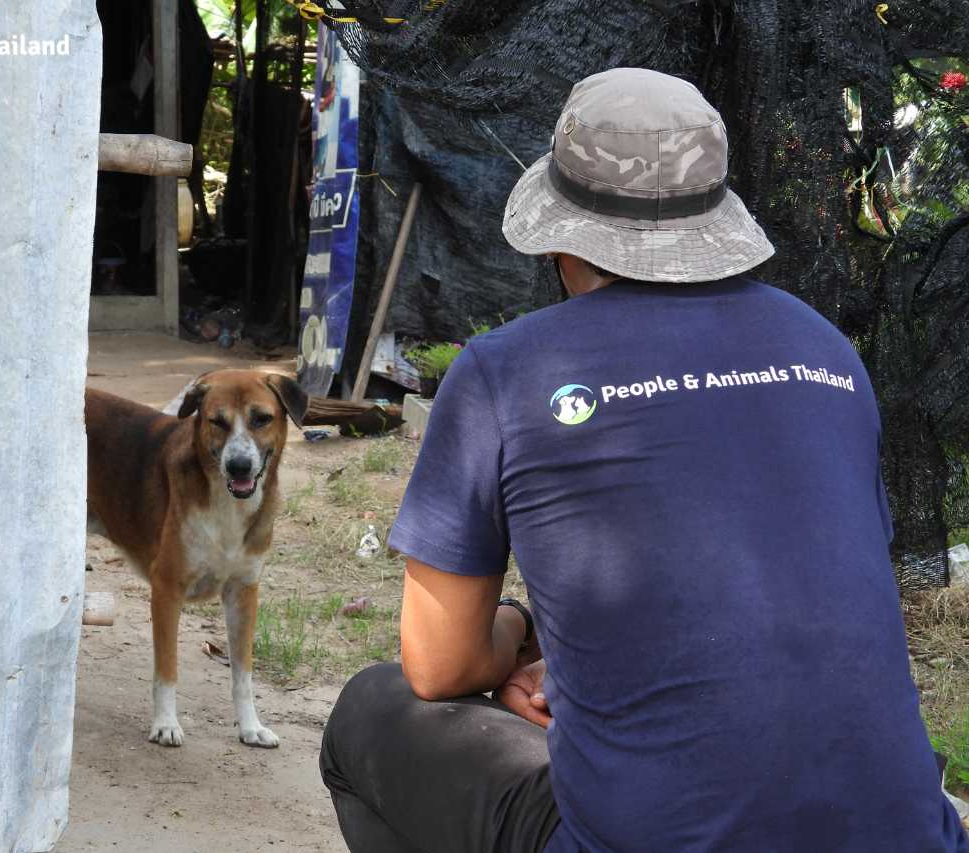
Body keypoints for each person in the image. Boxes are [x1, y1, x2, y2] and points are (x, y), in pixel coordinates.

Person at [319, 67, 968, 852]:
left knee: (368, 710)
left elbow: (438, 663)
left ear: (561, 240)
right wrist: (588, 662)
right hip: (907, 836)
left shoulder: (504, 372)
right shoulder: (825, 351)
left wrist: (526, 630)